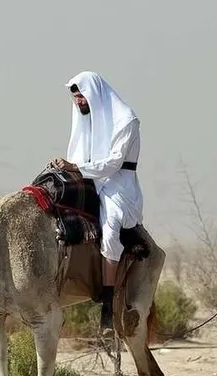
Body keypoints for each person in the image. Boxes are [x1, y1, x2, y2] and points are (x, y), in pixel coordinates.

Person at [50, 71, 144, 335]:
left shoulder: (126, 120)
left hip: (118, 187)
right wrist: (66, 167)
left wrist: (76, 167)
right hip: (90, 180)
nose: (78, 102)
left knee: (111, 227)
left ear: (94, 94)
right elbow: (81, 154)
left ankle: (107, 299)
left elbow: (114, 163)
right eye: (75, 97)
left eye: (82, 96)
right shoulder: (89, 119)